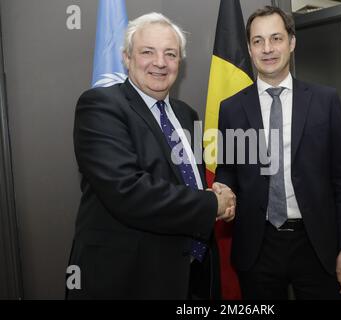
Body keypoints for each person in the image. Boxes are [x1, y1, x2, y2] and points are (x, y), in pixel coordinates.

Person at [67, 12, 235, 299]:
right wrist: (211, 204)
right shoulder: (100, 107)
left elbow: (185, 183)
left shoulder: (186, 115)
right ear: (126, 57)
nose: (160, 62)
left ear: (179, 62)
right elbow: (128, 192)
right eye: (148, 52)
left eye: (170, 54)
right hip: (129, 279)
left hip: (190, 273)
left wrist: (212, 191)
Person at [214, 6, 341, 300]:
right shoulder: (230, 109)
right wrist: (223, 193)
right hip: (257, 246)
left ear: (291, 43)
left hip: (317, 243)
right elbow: (228, 169)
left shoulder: (325, 100)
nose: (267, 49)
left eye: (276, 38)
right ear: (249, 48)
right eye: (258, 41)